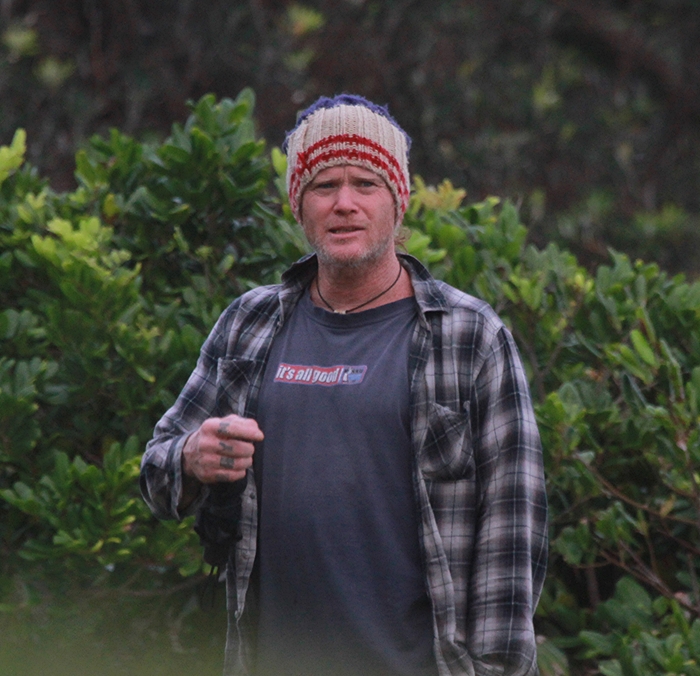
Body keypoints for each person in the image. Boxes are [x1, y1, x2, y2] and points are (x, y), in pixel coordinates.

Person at [140, 94, 548, 676]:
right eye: (324, 185)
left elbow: (513, 530)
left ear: (398, 201)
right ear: (299, 206)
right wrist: (191, 457)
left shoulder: (469, 336)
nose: (345, 204)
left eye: (366, 184)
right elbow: (156, 477)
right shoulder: (248, 324)